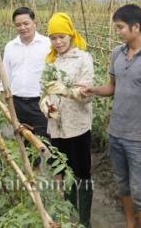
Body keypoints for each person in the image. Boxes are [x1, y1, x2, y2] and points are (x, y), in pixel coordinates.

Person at [81, 4, 141, 228]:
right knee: (122, 186)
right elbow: (112, 87)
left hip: (138, 138)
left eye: (120, 27)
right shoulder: (116, 54)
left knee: (140, 191)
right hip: (116, 133)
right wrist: (94, 90)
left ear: (136, 27)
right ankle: (130, 224)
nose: (117, 32)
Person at [39, 12, 94, 228]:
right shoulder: (50, 61)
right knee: (64, 172)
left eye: (62, 36)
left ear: (71, 35)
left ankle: (85, 221)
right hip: (56, 128)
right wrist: (45, 107)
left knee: (82, 174)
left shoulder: (83, 59)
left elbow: (87, 94)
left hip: (78, 127)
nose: (58, 42)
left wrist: (68, 91)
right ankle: (71, 217)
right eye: (53, 38)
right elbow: (42, 91)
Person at [0, 7, 50, 138]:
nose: (22, 27)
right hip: (16, 103)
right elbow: (5, 73)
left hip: (40, 103)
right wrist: (4, 97)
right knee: (22, 139)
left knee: (44, 141)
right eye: (18, 25)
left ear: (34, 23)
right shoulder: (10, 46)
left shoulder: (47, 44)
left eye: (26, 23)